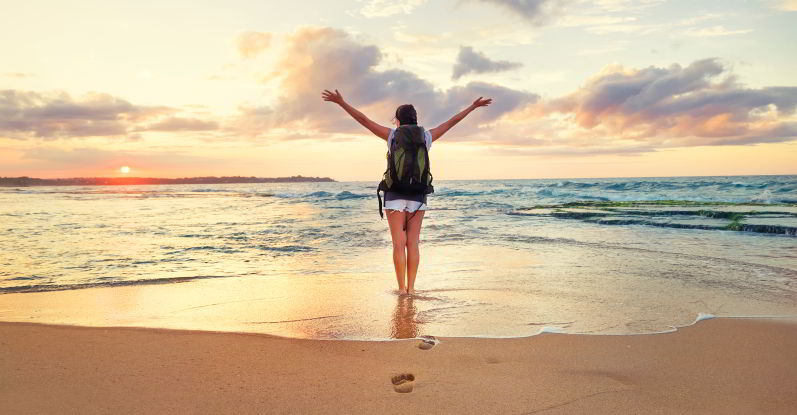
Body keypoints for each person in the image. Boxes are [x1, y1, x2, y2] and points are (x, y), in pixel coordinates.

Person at [321, 89, 492, 295]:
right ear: (415, 119)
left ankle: (401, 289)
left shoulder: (392, 135)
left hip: (394, 195)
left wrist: (341, 102)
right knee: (413, 243)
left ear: (398, 120)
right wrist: (473, 107)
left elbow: (363, 120)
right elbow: (450, 122)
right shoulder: (426, 137)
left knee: (398, 244)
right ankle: (411, 288)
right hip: (418, 196)